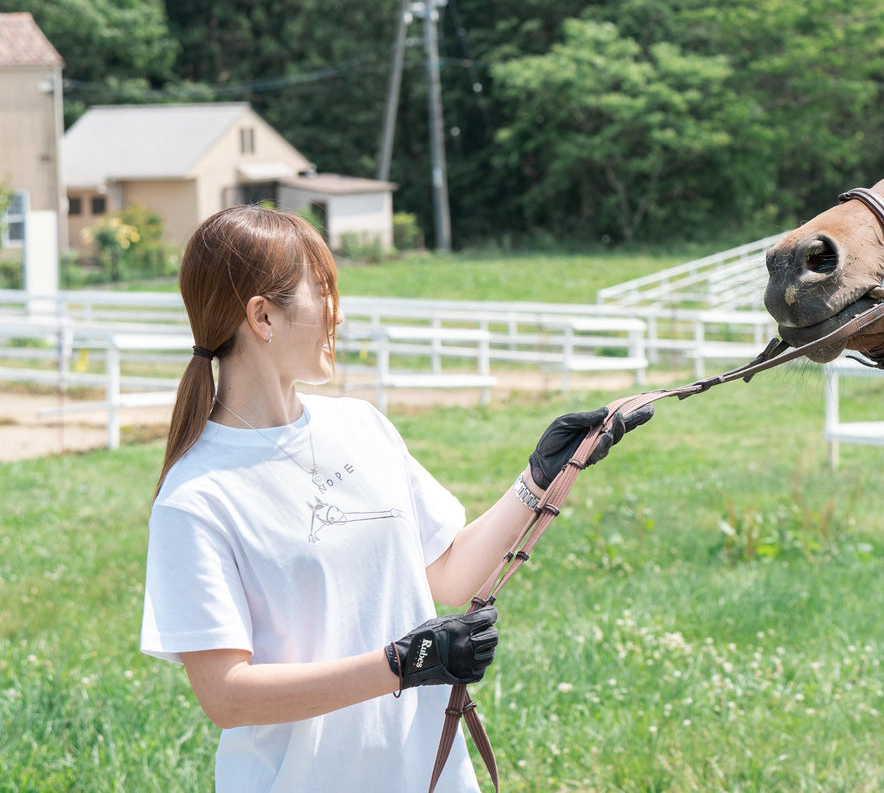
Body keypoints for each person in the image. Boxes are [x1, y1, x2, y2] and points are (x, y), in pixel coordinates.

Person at [140, 206, 652, 792]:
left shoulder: (362, 427)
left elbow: (443, 579)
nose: (338, 311)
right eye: (322, 291)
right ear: (262, 316)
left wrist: (540, 478)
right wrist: (402, 664)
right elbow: (228, 698)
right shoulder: (197, 497)